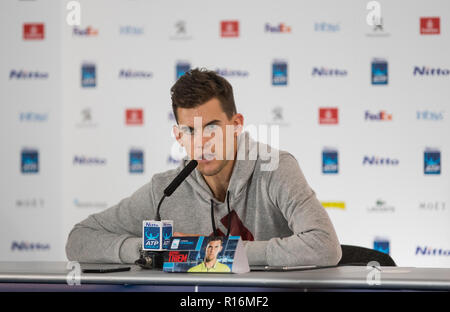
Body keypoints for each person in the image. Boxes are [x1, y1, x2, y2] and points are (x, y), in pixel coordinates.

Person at [66, 68, 342, 267]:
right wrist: (149, 250)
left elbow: (325, 245)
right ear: (178, 136)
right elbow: (79, 240)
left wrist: (221, 252)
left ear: (236, 126)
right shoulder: (166, 189)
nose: (202, 143)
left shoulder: (275, 168)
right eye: (190, 131)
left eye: (212, 127)